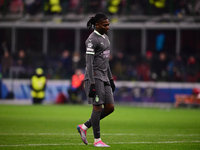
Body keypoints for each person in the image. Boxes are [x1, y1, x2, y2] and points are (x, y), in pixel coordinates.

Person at [76, 13, 115, 147]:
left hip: (104, 77)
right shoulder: (92, 40)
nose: (107, 27)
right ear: (97, 25)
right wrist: (91, 82)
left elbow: (106, 61)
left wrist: (111, 78)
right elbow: (89, 63)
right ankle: (97, 140)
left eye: (108, 24)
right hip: (95, 77)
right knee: (97, 108)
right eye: (105, 25)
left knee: (110, 108)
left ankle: (84, 127)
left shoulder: (106, 38)